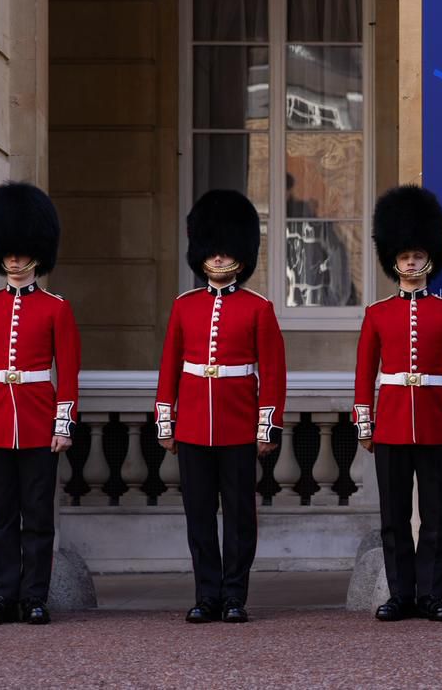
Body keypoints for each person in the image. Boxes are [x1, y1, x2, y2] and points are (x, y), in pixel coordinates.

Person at [154, 189, 286, 624]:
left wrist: (267, 427)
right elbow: (169, 368)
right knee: (199, 518)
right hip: (192, 424)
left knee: (239, 518)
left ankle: (234, 595)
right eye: (211, 251)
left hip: (237, 426)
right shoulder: (184, 307)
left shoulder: (258, 308)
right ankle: (206, 594)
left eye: (226, 251)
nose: (217, 259)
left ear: (241, 257)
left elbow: (273, 375)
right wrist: (165, 423)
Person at [353, 185, 442, 622]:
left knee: (436, 518)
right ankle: (401, 595)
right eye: (403, 255)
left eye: (416, 254)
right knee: (394, 518)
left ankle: (430, 596)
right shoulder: (377, 313)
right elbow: (364, 374)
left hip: (437, 423)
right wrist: (364, 424)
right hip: (391, 424)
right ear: (394, 260)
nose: (409, 262)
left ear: (429, 258)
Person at [0, 182, 80, 626]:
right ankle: (4, 595)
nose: (16, 259)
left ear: (36, 255)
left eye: (23, 252)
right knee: (0, 518)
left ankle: (35, 597)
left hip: (40, 423)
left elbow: (69, 374)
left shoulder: (56, 309)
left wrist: (63, 424)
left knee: (38, 519)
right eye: (9, 252)